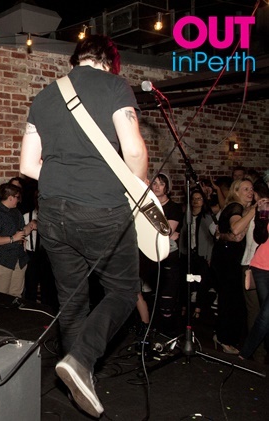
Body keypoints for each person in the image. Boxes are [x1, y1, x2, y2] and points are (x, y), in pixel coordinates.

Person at [20, 34, 148, 418]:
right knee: (123, 291)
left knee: (72, 300)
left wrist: (63, 181)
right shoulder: (114, 86)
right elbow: (134, 150)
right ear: (111, 61)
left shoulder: (44, 96)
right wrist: (138, 192)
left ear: (75, 59)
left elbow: (27, 166)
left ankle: (79, 378)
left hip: (52, 214)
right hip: (101, 209)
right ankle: (82, 359)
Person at [211, 178, 257, 354]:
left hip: (226, 257)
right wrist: (253, 211)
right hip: (228, 259)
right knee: (231, 300)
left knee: (229, 299)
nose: (250, 192)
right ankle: (225, 339)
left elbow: (222, 233)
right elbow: (237, 232)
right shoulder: (236, 207)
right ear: (236, 192)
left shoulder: (236, 208)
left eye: (251, 189)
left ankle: (221, 336)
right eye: (245, 189)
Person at [140, 173, 183, 335]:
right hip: (148, 255)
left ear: (167, 187)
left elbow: (166, 230)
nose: (157, 186)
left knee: (167, 298)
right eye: (155, 183)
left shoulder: (173, 207)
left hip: (167, 256)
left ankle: (168, 333)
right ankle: (152, 330)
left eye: (161, 184)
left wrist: (164, 232)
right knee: (149, 294)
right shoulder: (148, 204)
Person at [0, 183, 33, 297]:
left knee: (16, 295)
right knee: (1, 297)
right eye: (17, 197)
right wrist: (12, 239)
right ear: (10, 197)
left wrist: (29, 226)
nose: (18, 200)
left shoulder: (16, 212)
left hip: (19, 259)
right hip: (0, 260)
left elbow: (21, 232)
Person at [239, 194, 269, 363]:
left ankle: (244, 354)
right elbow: (259, 237)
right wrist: (262, 214)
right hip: (261, 267)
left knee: (265, 315)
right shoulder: (266, 209)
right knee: (265, 314)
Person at [178, 189, 216, 320]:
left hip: (201, 254)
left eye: (199, 199)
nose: (196, 201)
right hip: (188, 253)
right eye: (194, 199)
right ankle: (185, 306)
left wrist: (209, 256)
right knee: (186, 281)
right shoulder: (187, 215)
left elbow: (212, 238)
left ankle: (198, 308)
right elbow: (183, 233)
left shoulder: (207, 217)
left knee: (201, 282)